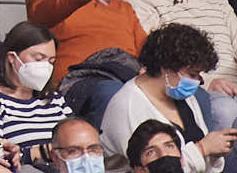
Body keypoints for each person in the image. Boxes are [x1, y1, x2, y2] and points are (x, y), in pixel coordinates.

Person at [125, 0, 237, 128]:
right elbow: (157, 61)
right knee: (225, 109)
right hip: (194, 93)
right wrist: (207, 83)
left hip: (233, 88)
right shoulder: (138, 2)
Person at [101, 24, 237, 173]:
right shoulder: (127, 106)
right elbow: (154, 168)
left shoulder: (179, 95)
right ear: (166, 68)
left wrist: (215, 153)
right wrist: (202, 149)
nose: (199, 81)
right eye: (192, 74)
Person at [0, 22, 72, 163]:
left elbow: (78, 138)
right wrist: (43, 152)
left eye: (51, 61)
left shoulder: (55, 99)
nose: (45, 66)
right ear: (12, 58)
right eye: (38, 59)